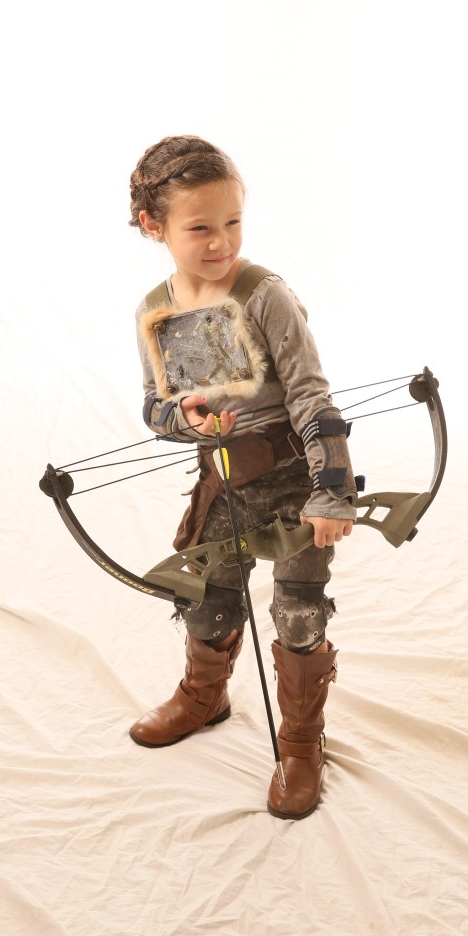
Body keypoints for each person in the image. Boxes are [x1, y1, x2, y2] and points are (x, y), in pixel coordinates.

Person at [127, 135, 358, 820]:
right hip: (221, 483)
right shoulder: (156, 309)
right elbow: (154, 406)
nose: (221, 241)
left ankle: (300, 741)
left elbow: (312, 396)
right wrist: (187, 419)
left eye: (232, 222)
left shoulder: (265, 296)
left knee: (297, 611)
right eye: (199, 227)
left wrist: (332, 491)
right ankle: (204, 698)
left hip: (293, 480)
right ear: (153, 225)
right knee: (209, 598)